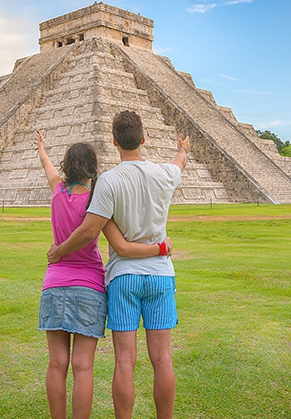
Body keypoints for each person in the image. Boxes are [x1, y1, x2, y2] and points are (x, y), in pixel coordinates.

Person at [47, 111, 189, 419]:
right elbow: (179, 165)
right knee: (163, 359)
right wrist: (183, 150)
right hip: (160, 274)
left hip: (123, 276)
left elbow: (89, 230)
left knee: (125, 361)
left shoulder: (108, 182)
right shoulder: (165, 173)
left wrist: (58, 251)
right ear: (143, 138)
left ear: (114, 142)